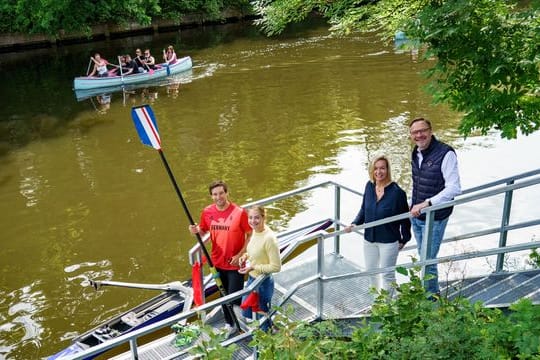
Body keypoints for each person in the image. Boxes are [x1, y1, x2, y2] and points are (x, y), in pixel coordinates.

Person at [188, 180, 251, 335]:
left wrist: (241, 254)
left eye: (221, 193)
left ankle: (241, 322)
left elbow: (250, 234)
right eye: (215, 194)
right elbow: (202, 231)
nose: (218, 197)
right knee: (223, 295)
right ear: (211, 196)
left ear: (227, 193)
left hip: (235, 263)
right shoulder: (207, 212)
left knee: (234, 297)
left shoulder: (239, 212)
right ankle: (230, 325)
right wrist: (194, 231)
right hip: (216, 262)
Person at [409, 117, 461, 296]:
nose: (419, 135)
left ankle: (431, 297)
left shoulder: (445, 153)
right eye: (415, 132)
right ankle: (429, 292)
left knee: (428, 258)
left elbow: (454, 188)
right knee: (424, 256)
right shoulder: (416, 152)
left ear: (430, 131)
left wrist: (427, 203)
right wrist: (411, 204)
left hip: (435, 216)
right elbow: (417, 182)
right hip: (416, 215)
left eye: (422, 131)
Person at [345, 155, 411, 295]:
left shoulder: (397, 193)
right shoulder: (369, 186)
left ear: (387, 170)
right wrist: (354, 223)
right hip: (369, 239)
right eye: (375, 168)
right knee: (371, 273)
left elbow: (405, 219)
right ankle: (376, 304)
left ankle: (386, 309)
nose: (378, 172)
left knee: (387, 275)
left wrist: (404, 239)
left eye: (382, 168)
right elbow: (364, 209)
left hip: (388, 241)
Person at [238, 205, 281, 331]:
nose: (253, 221)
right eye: (250, 218)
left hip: (263, 282)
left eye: (256, 218)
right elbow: (255, 251)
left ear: (263, 217)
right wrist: (245, 256)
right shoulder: (255, 231)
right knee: (247, 310)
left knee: (261, 315)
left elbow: (276, 267)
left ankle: (266, 342)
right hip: (252, 279)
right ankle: (266, 331)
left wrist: (253, 267)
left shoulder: (269, 239)